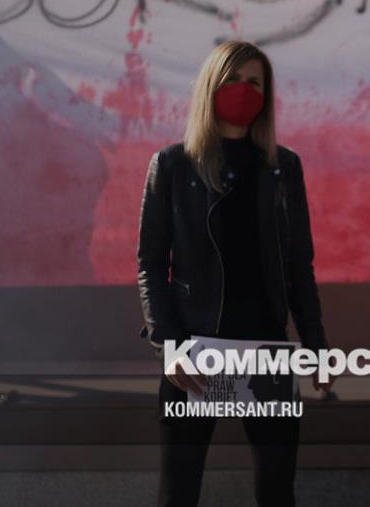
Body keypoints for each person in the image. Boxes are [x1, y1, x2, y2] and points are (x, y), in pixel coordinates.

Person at [136, 40, 332, 507]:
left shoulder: (284, 167)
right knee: (178, 493)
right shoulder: (172, 165)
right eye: (233, 80)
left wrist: (317, 346)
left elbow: (298, 264)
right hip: (194, 351)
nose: (243, 91)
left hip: (266, 349)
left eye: (255, 83)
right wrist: (168, 345)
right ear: (210, 86)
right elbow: (150, 262)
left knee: (276, 490)